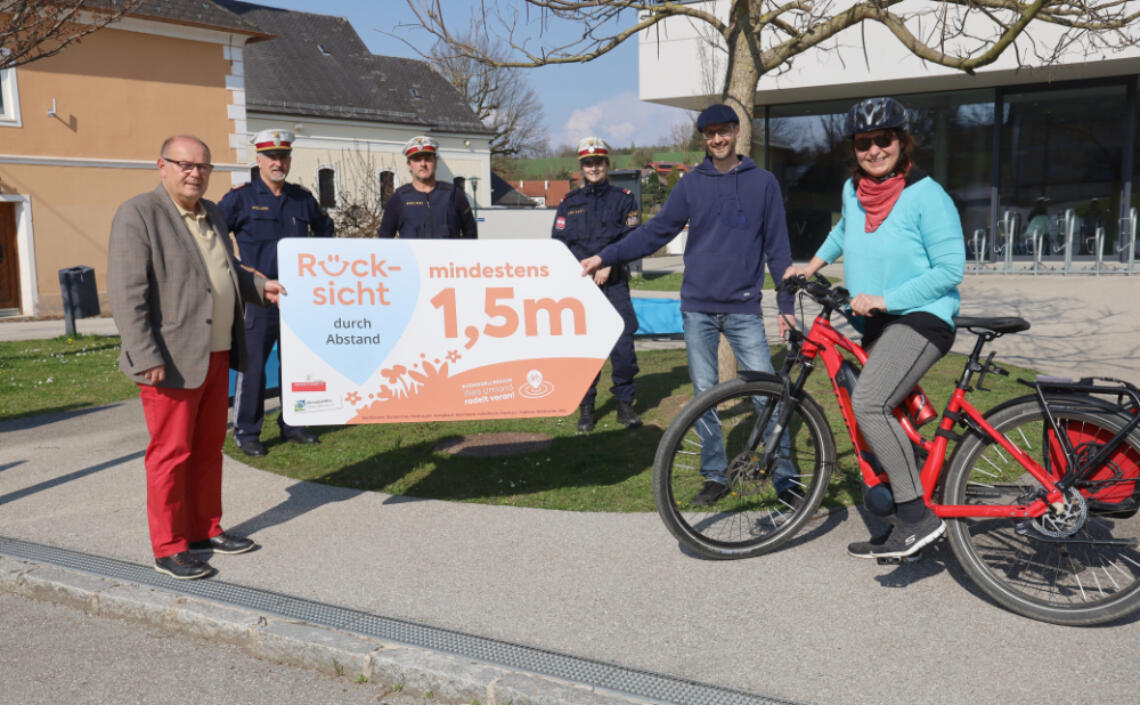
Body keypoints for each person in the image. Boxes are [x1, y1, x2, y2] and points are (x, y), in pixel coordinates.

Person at [581, 103, 797, 507]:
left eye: (723, 131)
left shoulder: (763, 183)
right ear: (703, 138)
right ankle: (714, 475)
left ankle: (786, 477)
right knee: (703, 395)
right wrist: (605, 256)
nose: (717, 139)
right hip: (697, 307)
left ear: (736, 132)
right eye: (709, 133)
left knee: (766, 394)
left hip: (744, 308)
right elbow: (655, 232)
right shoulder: (690, 184)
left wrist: (785, 303)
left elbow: (778, 249)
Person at [784, 97, 965, 560]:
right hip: (875, 321)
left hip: (920, 319)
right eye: (864, 143)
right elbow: (846, 231)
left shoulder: (928, 195)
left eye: (883, 140)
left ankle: (916, 518)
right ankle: (910, 501)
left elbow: (949, 270)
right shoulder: (854, 190)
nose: (874, 150)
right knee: (885, 415)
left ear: (901, 143)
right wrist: (813, 265)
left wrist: (887, 298)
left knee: (869, 402)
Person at [107, 135, 285, 580]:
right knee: (171, 454)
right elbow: (127, 294)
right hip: (169, 359)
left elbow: (224, 269)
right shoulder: (139, 214)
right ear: (161, 165)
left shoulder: (214, 214)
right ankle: (169, 547)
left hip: (218, 351)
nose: (194, 173)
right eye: (184, 164)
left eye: (202, 166)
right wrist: (144, 352)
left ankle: (205, 529)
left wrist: (259, 287)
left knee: (208, 450)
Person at [219, 129, 334, 457]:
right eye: (271, 157)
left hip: (296, 296)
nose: (277, 162)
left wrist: (317, 265)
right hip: (257, 297)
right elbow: (214, 232)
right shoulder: (241, 198)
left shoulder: (301, 198)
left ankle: (294, 424)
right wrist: (236, 268)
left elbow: (325, 228)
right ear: (259, 160)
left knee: (296, 364)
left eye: (283, 156)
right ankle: (247, 431)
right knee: (252, 365)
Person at [553, 136, 642, 432]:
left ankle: (624, 405)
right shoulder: (570, 203)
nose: (594, 167)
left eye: (599, 162)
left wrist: (607, 262)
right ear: (581, 167)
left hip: (614, 281)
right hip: (582, 285)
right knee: (585, 349)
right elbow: (560, 242)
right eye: (588, 163)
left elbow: (632, 237)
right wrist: (587, 269)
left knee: (623, 346)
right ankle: (587, 409)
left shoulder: (624, 198)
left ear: (607, 164)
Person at [376, 136, 477, 239]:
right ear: (409, 165)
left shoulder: (454, 195)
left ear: (435, 162)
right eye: (417, 160)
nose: (423, 164)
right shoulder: (397, 199)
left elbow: (471, 234)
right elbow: (385, 240)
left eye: (428, 159)